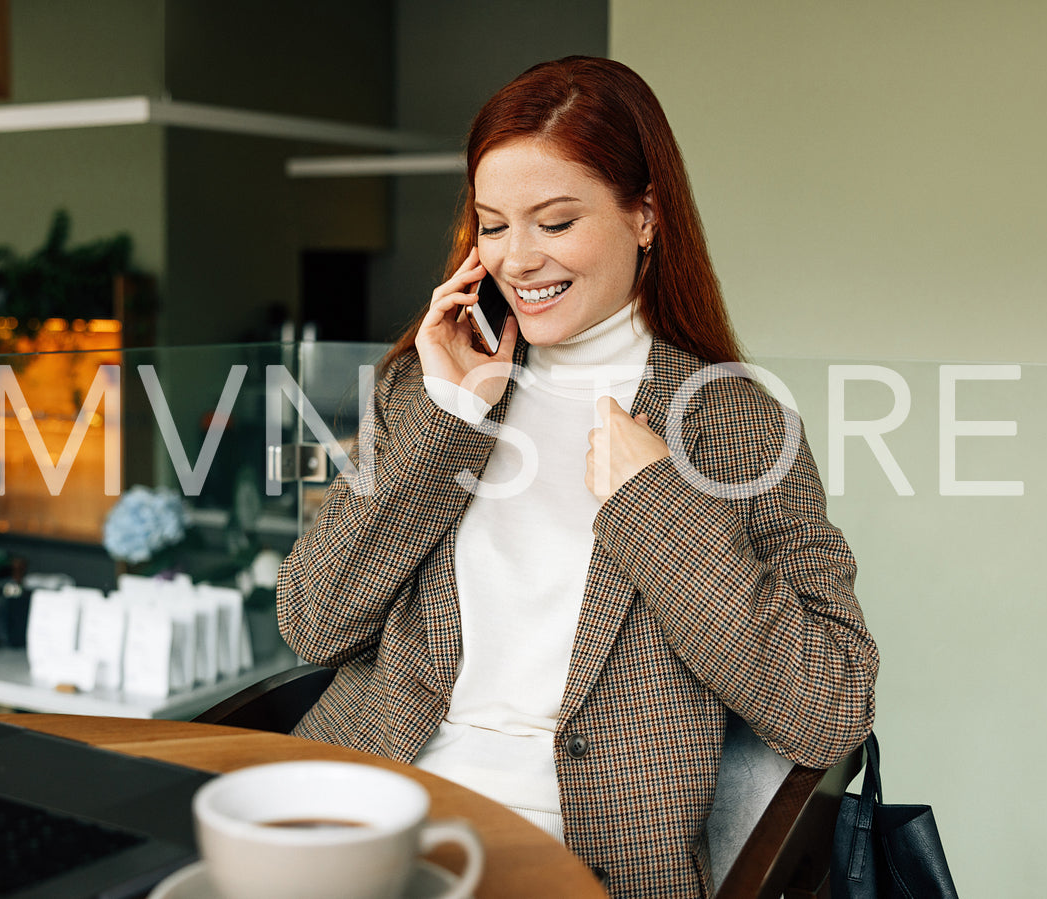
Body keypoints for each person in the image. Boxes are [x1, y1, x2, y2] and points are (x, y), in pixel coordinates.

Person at [277, 56, 877, 898]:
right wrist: (445, 420)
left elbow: (830, 705)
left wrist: (658, 509)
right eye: (492, 225)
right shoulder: (435, 383)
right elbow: (312, 621)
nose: (517, 260)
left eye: (554, 222)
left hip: (579, 860)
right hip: (364, 807)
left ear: (645, 214)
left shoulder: (737, 421)